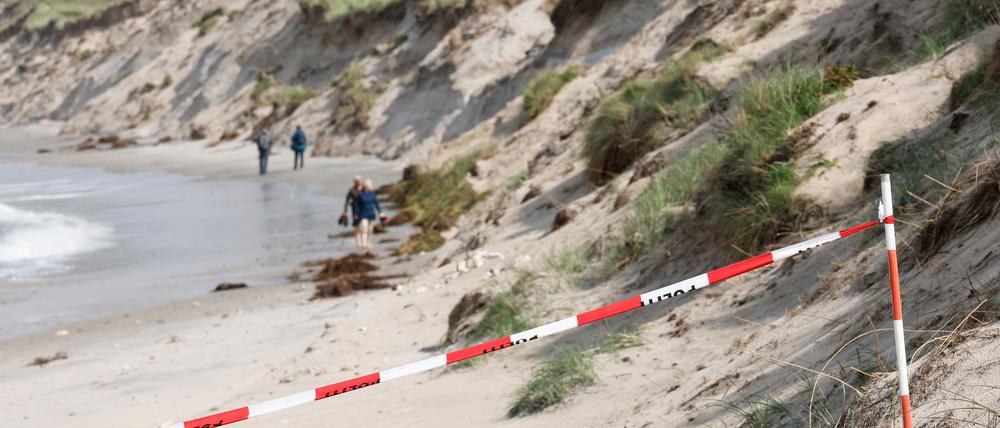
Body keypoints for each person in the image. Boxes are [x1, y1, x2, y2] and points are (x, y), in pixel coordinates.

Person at [353, 179, 384, 253]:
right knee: (364, 229)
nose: (372, 186)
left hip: (371, 214)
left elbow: (376, 203)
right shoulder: (361, 194)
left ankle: (368, 243)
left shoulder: (373, 194)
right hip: (363, 215)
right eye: (371, 185)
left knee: (370, 230)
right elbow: (357, 205)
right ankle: (364, 245)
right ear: (366, 186)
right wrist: (356, 214)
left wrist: (380, 212)